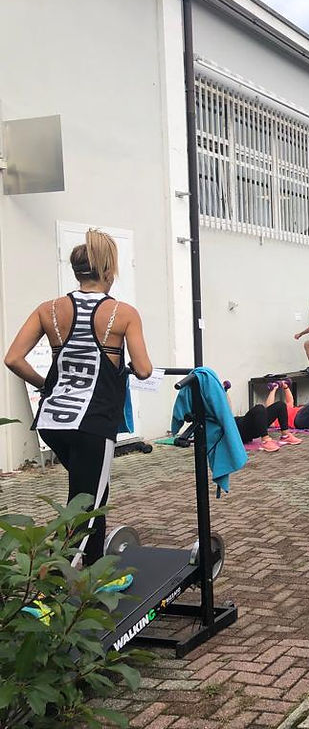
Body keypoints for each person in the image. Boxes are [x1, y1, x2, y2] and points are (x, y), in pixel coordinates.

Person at [4, 229, 152, 573]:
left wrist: (47, 385)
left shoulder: (48, 309)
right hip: (93, 423)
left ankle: (93, 569)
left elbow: (13, 359)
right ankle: (53, 581)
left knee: (90, 494)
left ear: (76, 271)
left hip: (53, 422)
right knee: (87, 505)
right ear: (108, 270)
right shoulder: (123, 313)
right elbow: (144, 369)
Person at [230, 384, 302, 452]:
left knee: (280, 405)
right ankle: (265, 440)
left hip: (253, 427)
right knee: (259, 408)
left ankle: (285, 435)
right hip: (238, 428)